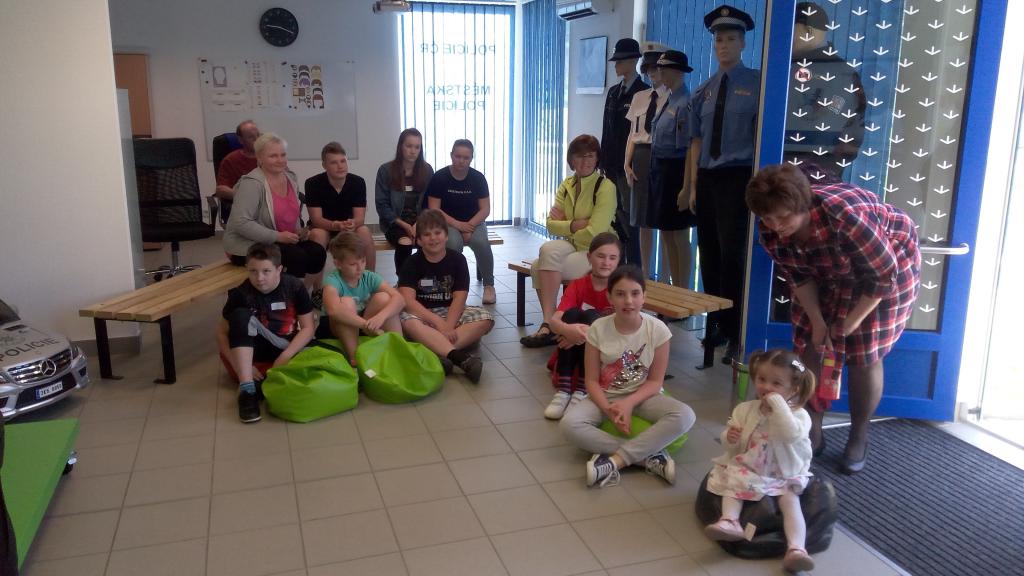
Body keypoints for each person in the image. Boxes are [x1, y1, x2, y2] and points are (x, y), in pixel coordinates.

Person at [746, 164, 920, 474]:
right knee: (809, 348)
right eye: (767, 218)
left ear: (804, 205)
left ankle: (859, 434)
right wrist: (818, 322)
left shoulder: (846, 217)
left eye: (783, 217)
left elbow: (883, 276)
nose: (775, 225)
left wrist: (849, 324)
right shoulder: (770, 231)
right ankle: (811, 427)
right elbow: (798, 277)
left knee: (864, 353)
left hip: (884, 270)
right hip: (825, 273)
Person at [559, 265, 696, 488]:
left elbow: (655, 382)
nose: (628, 301)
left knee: (686, 415)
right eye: (620, 294)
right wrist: (609, 411)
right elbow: (591, 381)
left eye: (635, 293)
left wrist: (629, 404)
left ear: (644, 297)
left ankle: (615, 460)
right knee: (568, 424)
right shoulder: (598, 328)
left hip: (643, 397)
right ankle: (648, 458)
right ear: (609, 297)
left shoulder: (658, 330)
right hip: (605, 396)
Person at [687, 5, 761, 364]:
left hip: (738, 178)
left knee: (734, 256)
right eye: (719, 40)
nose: (724, 45)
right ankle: (716, 322)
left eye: (731, 39)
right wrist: (691, 186)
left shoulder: (758, 84)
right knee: (710, 254)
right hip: (708, 179)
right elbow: (696, 141)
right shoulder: (704, 90)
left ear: (743, 43)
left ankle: (737, 331)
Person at [703, 349, 817, 573]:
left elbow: (790, 435)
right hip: (750, 466)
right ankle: (730, 521)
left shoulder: (799, 415)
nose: (766, 387)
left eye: (776, 383)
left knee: (790, 502)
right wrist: (730, 437)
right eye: (762, 379)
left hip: (782, 471)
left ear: (794, 388)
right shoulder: (745, 410)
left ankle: (796, 549)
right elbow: (732, 445)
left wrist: (779, 406)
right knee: (733, 481)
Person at [520, 134, 618, 348]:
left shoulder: (605, 187)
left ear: (597, 158)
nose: (585, 161)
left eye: (590, 156)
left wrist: (565, 224)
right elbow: (550, 225)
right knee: (547, 250)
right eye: (579, 156)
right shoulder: (567, 185)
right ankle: (551, 322)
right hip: (573, 245)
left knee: (538, 267)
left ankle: (549, 325)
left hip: (597, 251)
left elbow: (596, 232)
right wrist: (575, 224)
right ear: (571, 159)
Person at [217, 243, 315, 423]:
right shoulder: (241, 293)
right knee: (239, 315)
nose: (259, 278)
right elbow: (222, 333)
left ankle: (262, 384)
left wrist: (286, 355)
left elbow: (308, 328)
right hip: (252, 350)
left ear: (279, 270)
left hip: (285, 346)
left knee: (330, 356)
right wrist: (241, 367)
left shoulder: (294, 286)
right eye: (253, 271)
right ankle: (247, 390)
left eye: (266, 271)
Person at [397, 209, 494, 383]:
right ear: (419, 240)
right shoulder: (411, 263)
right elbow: (408, 302)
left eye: (437, 233)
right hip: (421, 313)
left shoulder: (458, 260)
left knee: (485, 318)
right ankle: (458, 357)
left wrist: (448, 325)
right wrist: (438, 323)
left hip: (450, 311)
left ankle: (434, 352)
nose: (433, 238)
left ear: (446, 235)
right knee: (407, 321)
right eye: (427, 235)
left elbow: (460, 298)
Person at [223, 133, 327, 287]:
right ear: (260, 158)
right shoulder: (251, 183)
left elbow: (291, 214)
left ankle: (298, 293)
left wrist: (298, 232)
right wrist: (277, 236)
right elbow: (241, 222)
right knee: (296, 257)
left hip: (279, 241)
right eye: (273, 156)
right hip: (247, 245)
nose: (280, 160)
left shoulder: (290, 178)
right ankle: (287, 297)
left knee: (317, 253)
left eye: (283, 155)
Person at [785, 1, 866, 184]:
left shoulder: (839, 73)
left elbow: (826, 120)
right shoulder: (784, 69)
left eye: (791, 30)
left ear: (809, 31)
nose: (785, 37)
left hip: (817, 174)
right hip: (784, 172)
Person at [543, 232, 621, 420]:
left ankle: (582, 389)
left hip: (605, 350)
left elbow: (622, 329)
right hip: (575, 349)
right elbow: (554, 321)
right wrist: (568, 331)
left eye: (612, 258)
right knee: (572, 315)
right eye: (600, 256)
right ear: (589, 257)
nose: (606, 262)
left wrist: (581, 334)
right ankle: (564, 391)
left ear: (619, 261)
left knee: (593, 317)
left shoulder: (619, 289)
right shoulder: (579, 284)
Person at [426, 139, 496, 305]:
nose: (461, 161)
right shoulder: (440, 177)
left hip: (474, 222)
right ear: (451, 155)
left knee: (481, 242)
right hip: (447, 223)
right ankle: (452, 286)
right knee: (453, 243)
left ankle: (489, 285)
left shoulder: (478, 178)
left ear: (471, 158)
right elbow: (434, 209)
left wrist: (469, 227)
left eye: (466, 157)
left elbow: (485, 209)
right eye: (458, 156)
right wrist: (459, 226)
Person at [649, 50, 697, 290]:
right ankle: (674, 288)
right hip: (661, 171)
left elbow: (689, 148)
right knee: (666, 232)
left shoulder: (686, 103)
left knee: (679, 234)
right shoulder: (666, 99)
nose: (661, 73)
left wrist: (687, 187)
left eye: (664, 69)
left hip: (677, 172)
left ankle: (683, 288)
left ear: (677, 71)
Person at [320, 231, 405, 364]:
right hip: (340, 327)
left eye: (363, 261)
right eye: (353, 264)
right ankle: (355, 357)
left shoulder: (368, 276)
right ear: (338, 264)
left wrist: (380, 317)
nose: (360, 268)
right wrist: (366, 325)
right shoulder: (332, 281)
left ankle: (400, 348)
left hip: (364, 325)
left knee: (384, 297)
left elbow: (400, 299)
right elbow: (333, 310)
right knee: (347, 302)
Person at [602, 38, 648, 267]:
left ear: (632, 61)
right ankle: (616, 267)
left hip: (629, 168)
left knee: (631, 222)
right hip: (611, 166)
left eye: (620, 61)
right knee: (614, 219)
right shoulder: (613, 92)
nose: (616, 65)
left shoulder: (644, 93)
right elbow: (606, 130)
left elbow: (640, 136)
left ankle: (634, 269)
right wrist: (602, 163)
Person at [624, 42, 669, 273]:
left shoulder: (674, 97)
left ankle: (666, 276)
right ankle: (645, 273)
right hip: (641, 157)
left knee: (665, 221)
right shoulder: (640, 97)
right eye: (649, 68)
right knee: (642, 220)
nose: (652, 73)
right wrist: (627, 162)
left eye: (657, 68)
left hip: (663, 156)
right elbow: (633, 133)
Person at [306, 142, 376, 271]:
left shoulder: (358, 182)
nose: (340, 166)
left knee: (364, 231)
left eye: (343, 161)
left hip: (348, 227)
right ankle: (316, 283)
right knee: (318, 234)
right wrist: (335, 225)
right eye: (334, 162)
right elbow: (316, 219)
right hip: (324, 227)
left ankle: (370, 278)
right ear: (324, 165)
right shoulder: (312, 183)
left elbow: (360, 218)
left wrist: (353, 223)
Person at [375, 128, 434, 274]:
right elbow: (382, 205)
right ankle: (403, 281)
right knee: (405, 242)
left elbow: (429, 203)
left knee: (427, 241)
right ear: (400, 146)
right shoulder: (386, 170)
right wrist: (405, 226)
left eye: (417, 147)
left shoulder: (427, 170)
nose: (413, 151)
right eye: (409, 146)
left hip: (420, 221)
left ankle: (423, 279)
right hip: (395, 223)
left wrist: (418, 224)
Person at [215, 119, 260, 223]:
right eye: (251, 137)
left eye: (258, 135)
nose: (257, 140)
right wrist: (245, 196)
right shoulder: (231, 160)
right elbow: (221, 190)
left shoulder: (270, 156)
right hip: (246, 209)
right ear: (241, 140)